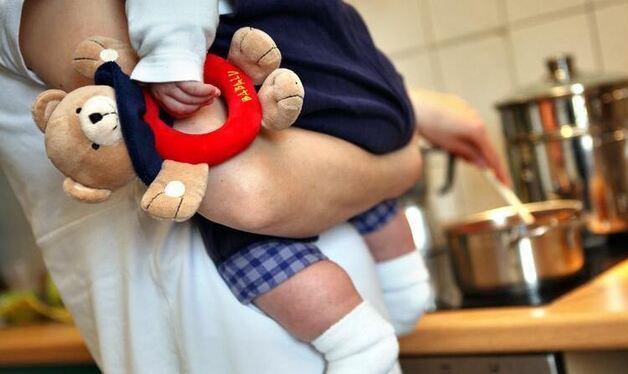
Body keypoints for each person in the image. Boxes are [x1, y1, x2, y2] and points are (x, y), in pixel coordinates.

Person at [1, 1, 507, 373]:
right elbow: (244, 186)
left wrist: (410, 108)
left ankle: (402, 292)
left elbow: (250, 95)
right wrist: (403, 156)